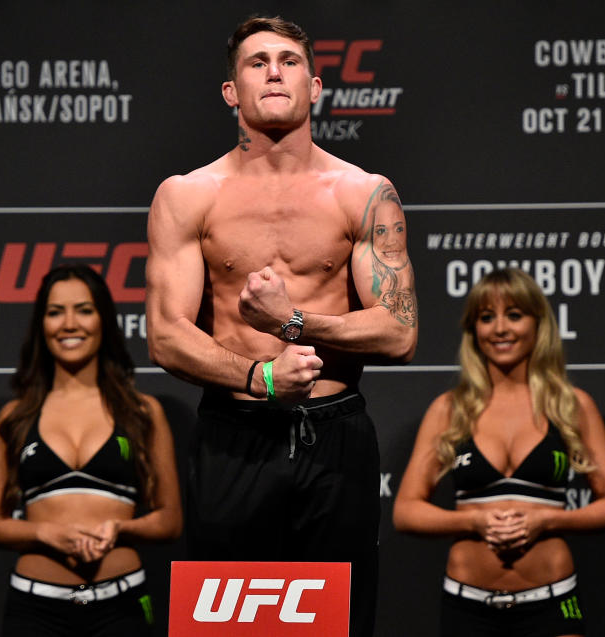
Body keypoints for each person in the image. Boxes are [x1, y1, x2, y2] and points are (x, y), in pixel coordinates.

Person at [145, 15, 417, 637]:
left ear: (316, 87)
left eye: (290, 61)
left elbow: (399, 331)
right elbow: (165, 334)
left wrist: (292, 322)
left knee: (340, 627)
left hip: (336, 437)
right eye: (257, 61)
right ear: (230, 91)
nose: (274, 71)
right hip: (233, 434)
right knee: (225, 630)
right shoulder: (189, 196)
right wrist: (260, 376)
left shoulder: (364, 193)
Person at [393, 268, 605, 636]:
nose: (500, 328)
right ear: (473, 330)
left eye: (514, 315)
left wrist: (547, 520)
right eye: (487, 318)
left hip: (554, 598)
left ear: (538, 324)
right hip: (467, 601)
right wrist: (474, 521)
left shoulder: (570, 405)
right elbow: (406, 512)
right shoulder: (449, 409)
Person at [0, 264, 182, 637]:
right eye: (55, 312)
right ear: (42, 325)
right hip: (33, 606)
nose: (69, 324)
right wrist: (45, 534)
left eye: (84, 310)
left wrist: (119, 528)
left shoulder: (142, 411)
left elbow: (169, 521)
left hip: (122, 604)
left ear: (103, 319)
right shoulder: (15, 416)